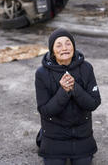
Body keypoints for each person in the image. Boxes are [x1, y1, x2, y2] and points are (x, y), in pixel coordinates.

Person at [35, 28, 101, 165]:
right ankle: (42, 135)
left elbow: (93, 103)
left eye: (68, 43)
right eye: (58, 45)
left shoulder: (86, 68)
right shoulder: (42, 73)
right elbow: (45, 111)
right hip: (54, 134)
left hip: (82, 133)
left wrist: (74, 88)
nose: (64, 48)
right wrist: (63, 91)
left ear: (74, 47)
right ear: (52, 51)